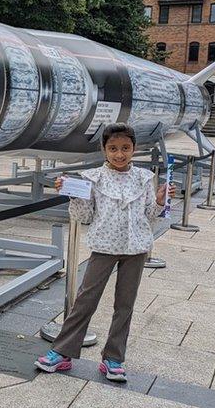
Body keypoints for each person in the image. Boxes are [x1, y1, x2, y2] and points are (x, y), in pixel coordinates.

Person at [35, 123, 174, 383]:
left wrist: (158, 199)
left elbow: (149, 216)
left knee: (125, 304)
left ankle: (113, 358)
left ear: (134, 148)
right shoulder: (92, 178)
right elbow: (86, 216)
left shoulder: (144, 177)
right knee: (86, 300)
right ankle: (62, 352)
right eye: (113, 148)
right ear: (103, 149)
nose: (119, 154)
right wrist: (72, 196)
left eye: (125, 148)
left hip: (136, 248)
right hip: (104, 247)